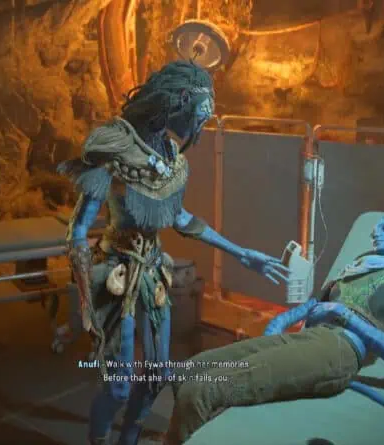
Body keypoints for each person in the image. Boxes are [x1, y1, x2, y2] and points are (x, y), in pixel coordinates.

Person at [58, 60, 289, 445]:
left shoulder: (171, 157)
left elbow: (180, 217)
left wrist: (241, 252)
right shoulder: (116, 147)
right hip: (116, 272)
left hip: (152, 273)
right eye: (198, 115)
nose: (199, 127)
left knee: (155, 378)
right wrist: (84, 296)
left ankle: (129, 440)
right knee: (118, 387)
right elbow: (77, 230)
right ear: (179, 102)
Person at [163, 214, 384, 444]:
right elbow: (305, 310)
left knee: (202, 390)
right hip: (308, 340)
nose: (374, 233)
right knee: (188, 371)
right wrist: (275, 333)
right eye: (374, 229)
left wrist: (346, 317)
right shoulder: (355, 269)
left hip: (341, 350)